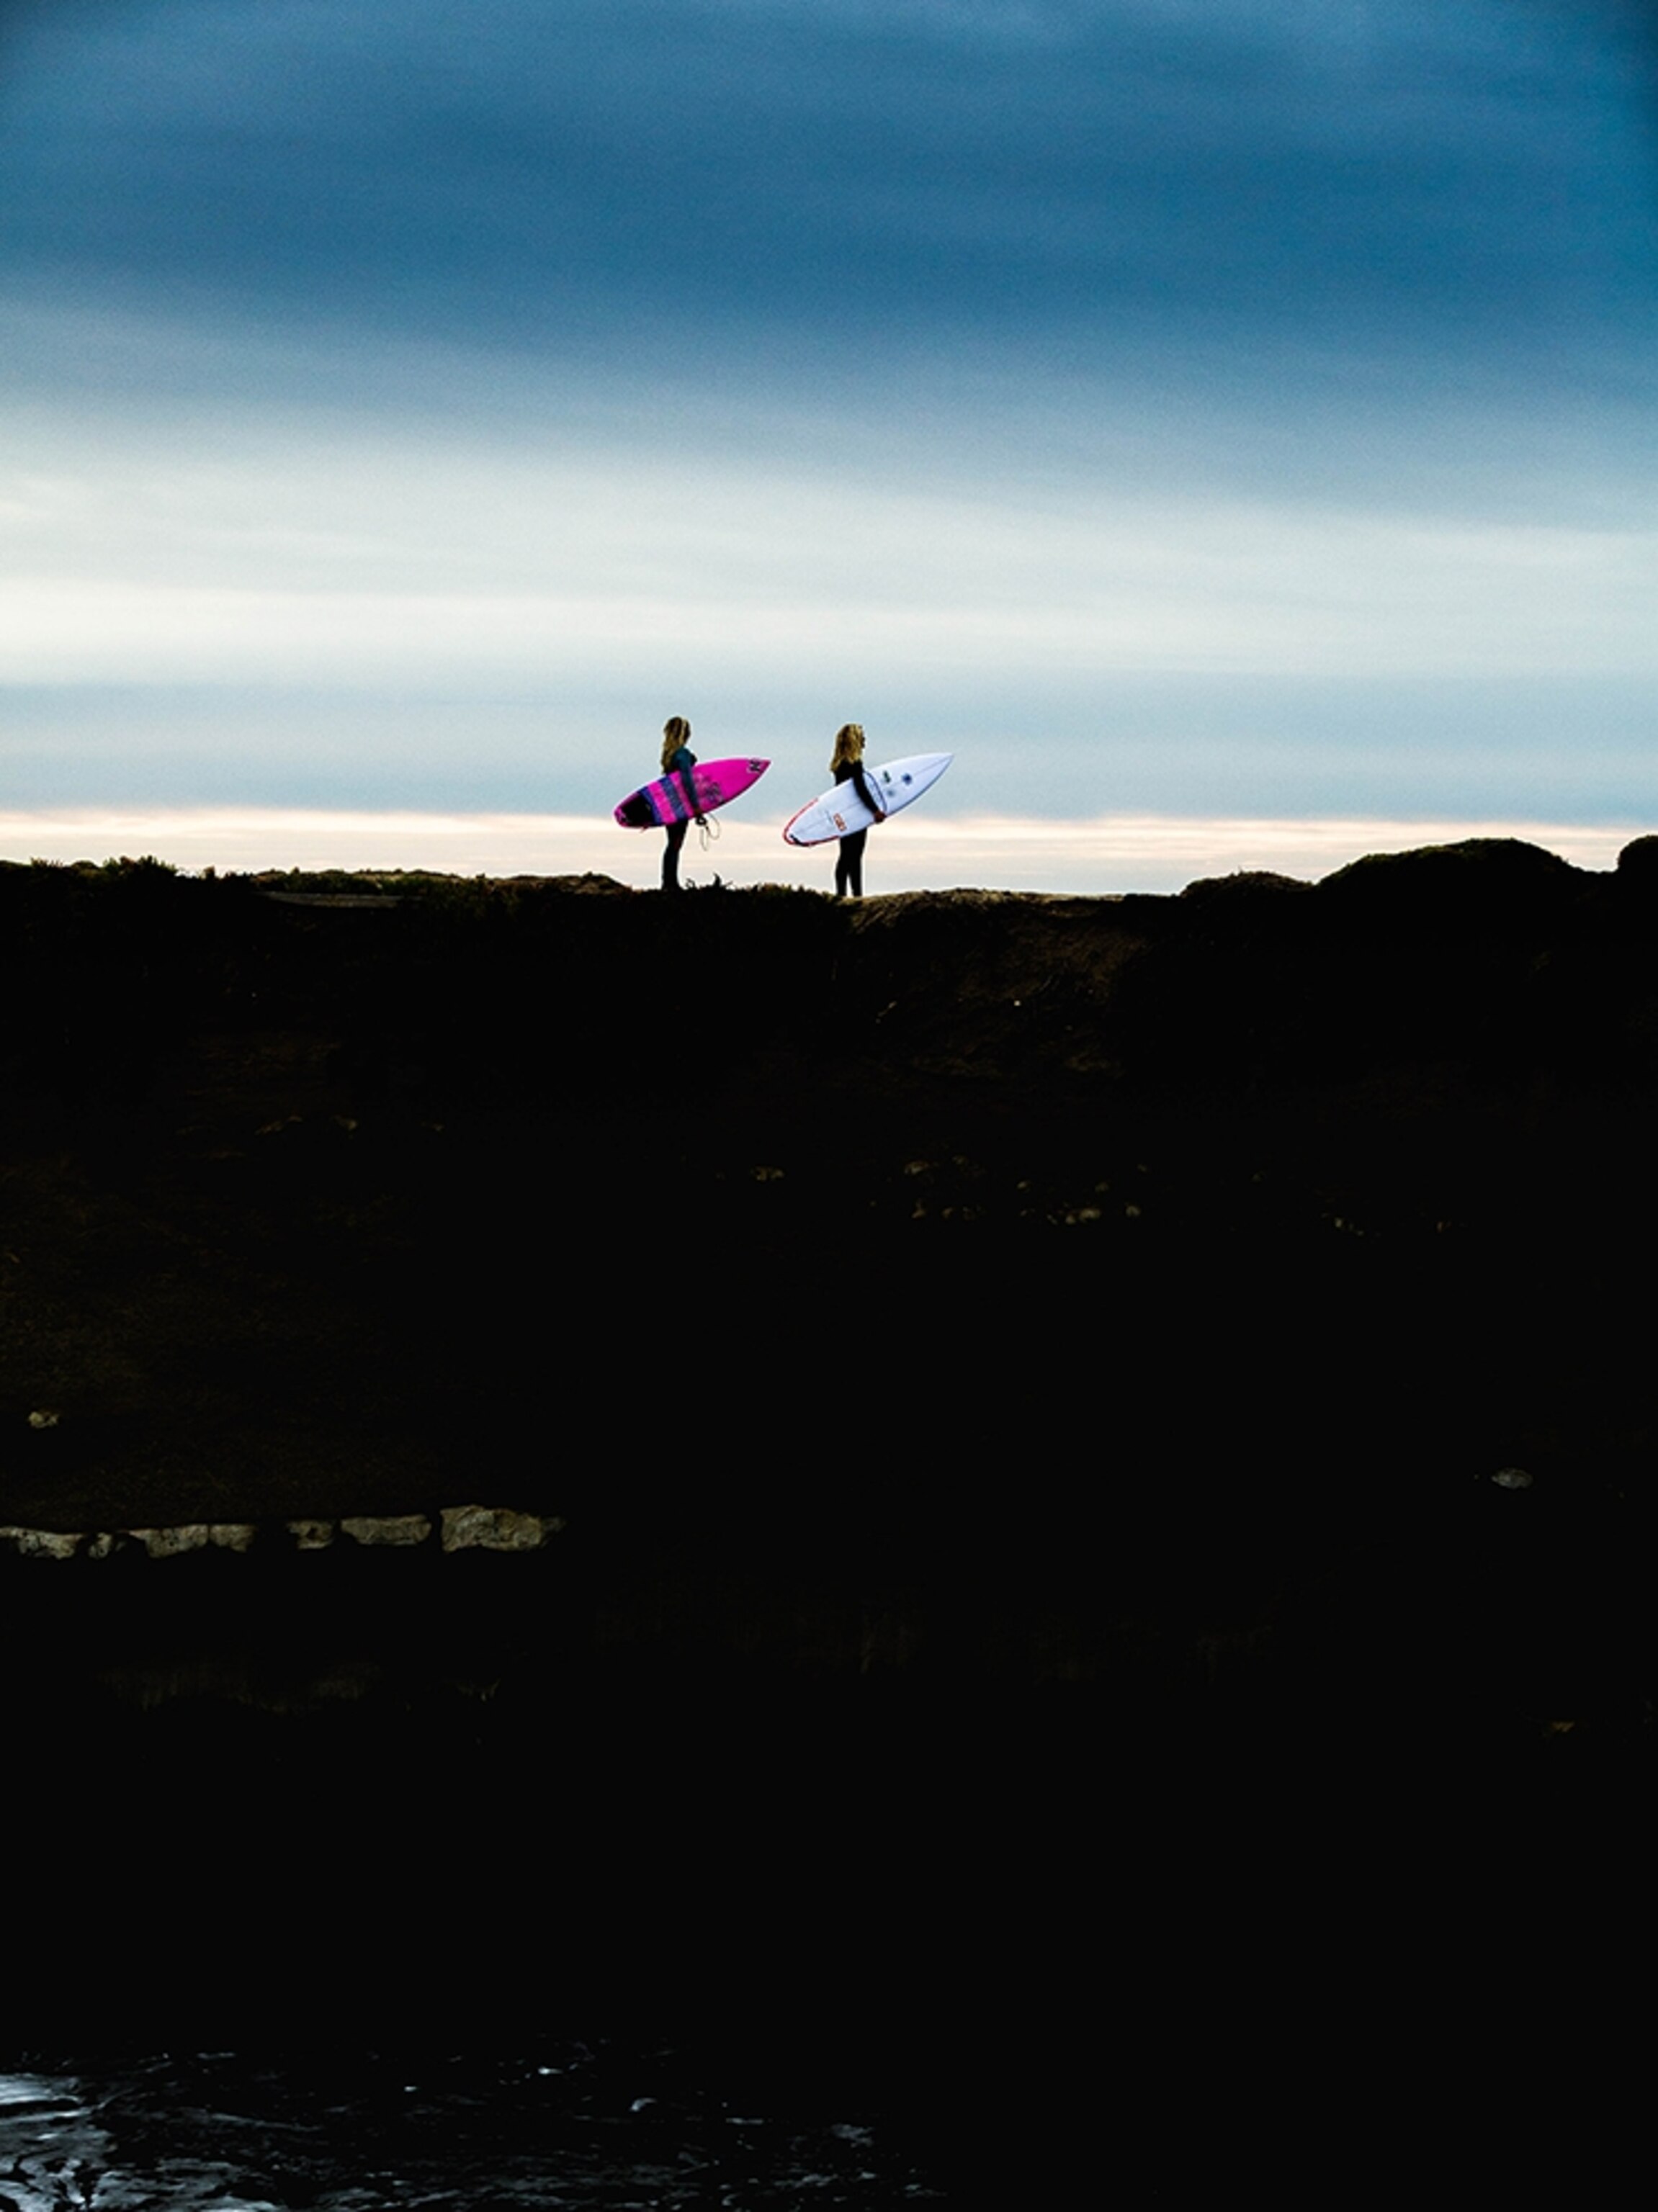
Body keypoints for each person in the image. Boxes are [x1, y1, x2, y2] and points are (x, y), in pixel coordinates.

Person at [828, 723, 884, 898]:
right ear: (855, 740)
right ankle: (856, 895)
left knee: (846, 854)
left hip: (843, 813)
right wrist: (875, 810)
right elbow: (861, 789)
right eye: (862, 736)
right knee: (855, 854)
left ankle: (842, 894)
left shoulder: (839, 766)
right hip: (856, 813)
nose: (865, 740)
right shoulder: (854, 764)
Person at [658, 715, 701, 891]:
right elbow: (687, 780)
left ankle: (668, 882)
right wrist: (696, 806)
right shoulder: (682, 754)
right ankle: (671, 884)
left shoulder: (668, 755)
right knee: (676, 843)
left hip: (668, 802)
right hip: (681, 803)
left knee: (672, 843)